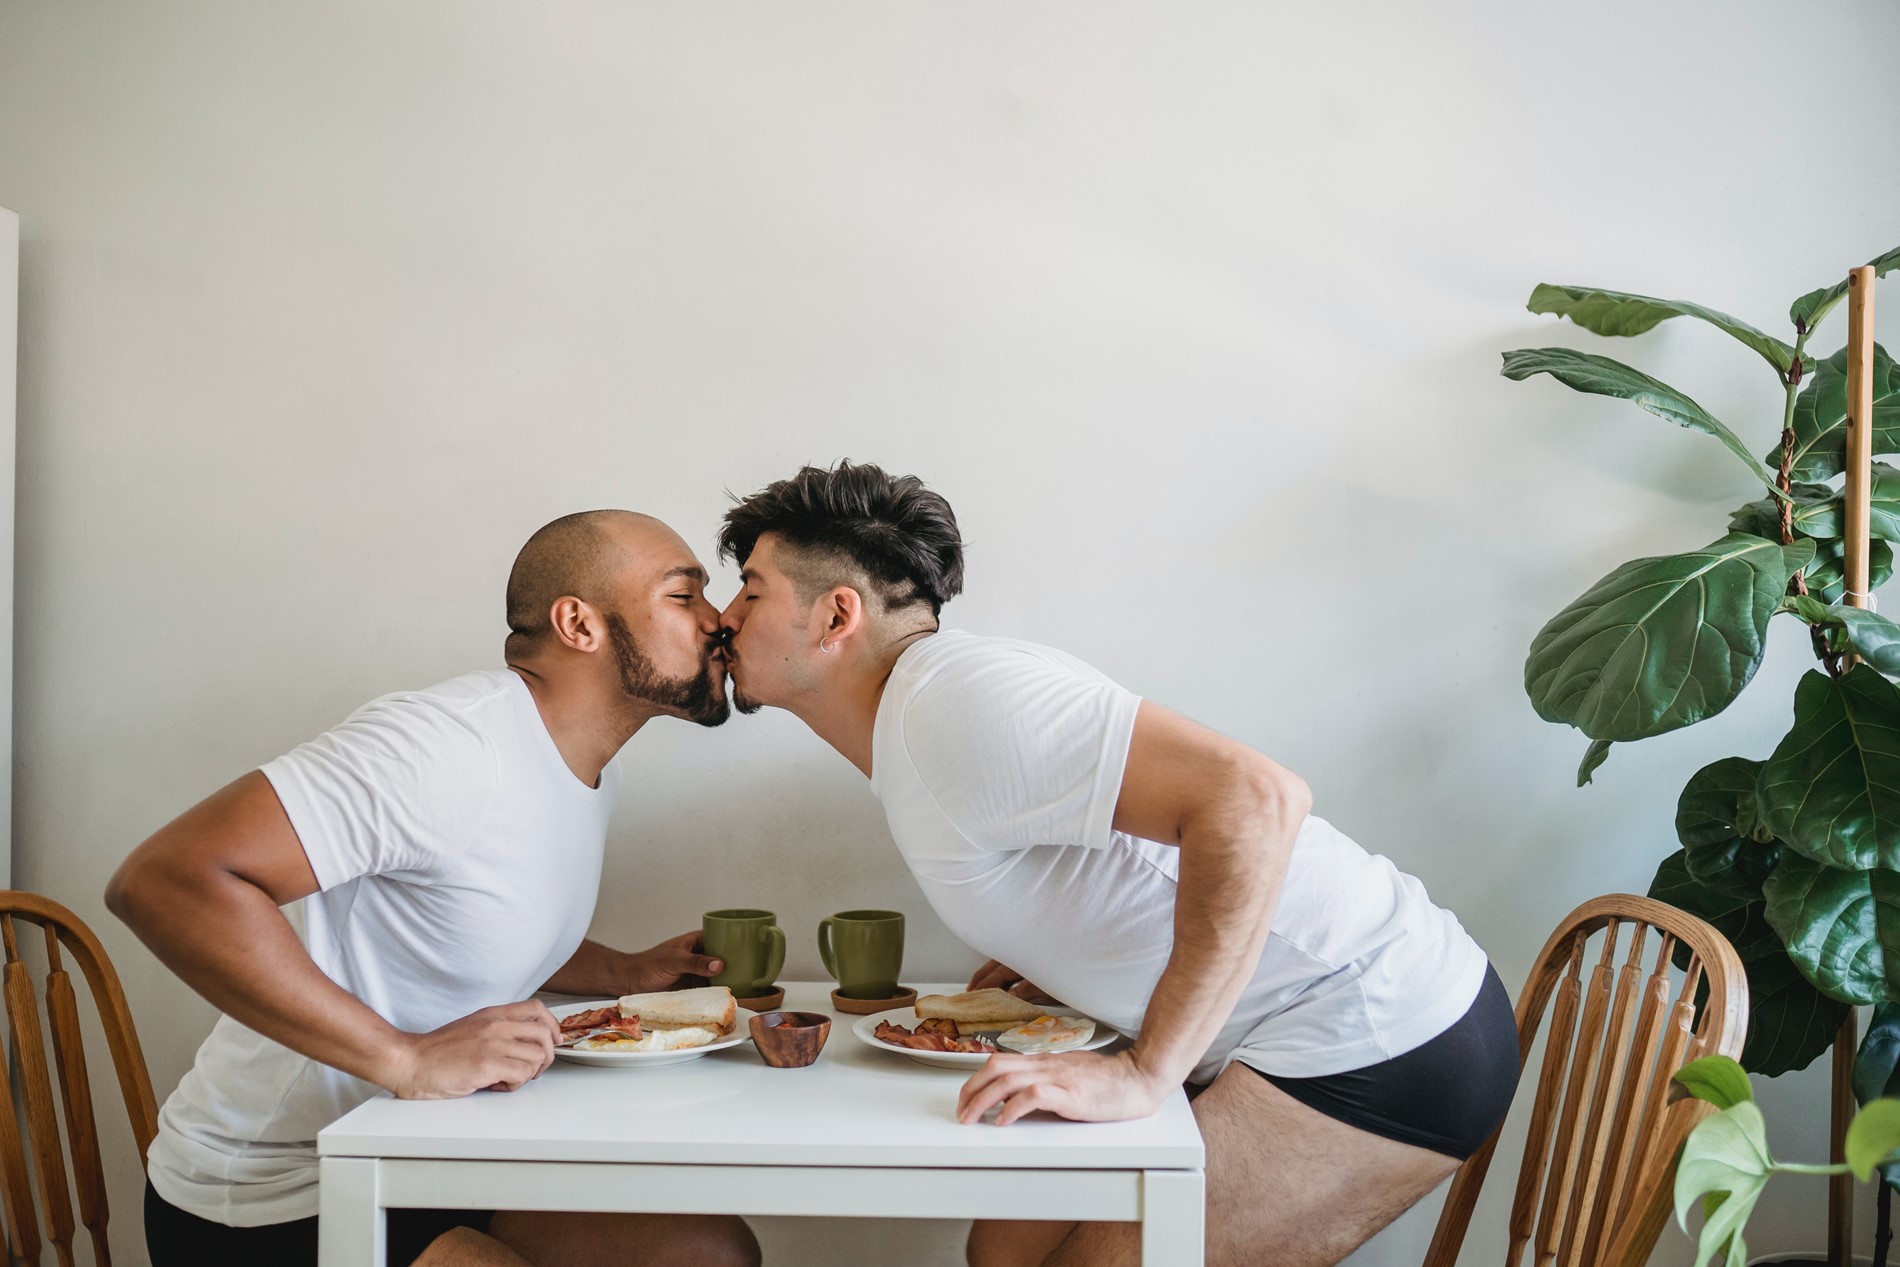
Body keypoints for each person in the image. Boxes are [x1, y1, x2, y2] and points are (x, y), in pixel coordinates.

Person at [713, 463, 1519, 1267]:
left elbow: (1255, 797)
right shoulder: (921, 719)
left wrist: (1145, 1072)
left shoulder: (950, 704)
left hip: (1383, 1026)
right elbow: (1112, 855)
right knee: (1004, 1247)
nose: (725, 617)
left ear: (835, 615)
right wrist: (1057, 958)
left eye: (750, 590)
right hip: (1283, 1025)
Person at [107, 510, 761, 1267]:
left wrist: (625, 972)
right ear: (579, 623)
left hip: (427, 1150)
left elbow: (463, 918)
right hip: (271, 1191)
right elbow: (163, 879)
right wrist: (404, 1058)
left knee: (711, 1251)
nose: (719, 620)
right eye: (685, 596)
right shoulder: (445, 746)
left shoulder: (585, 765)